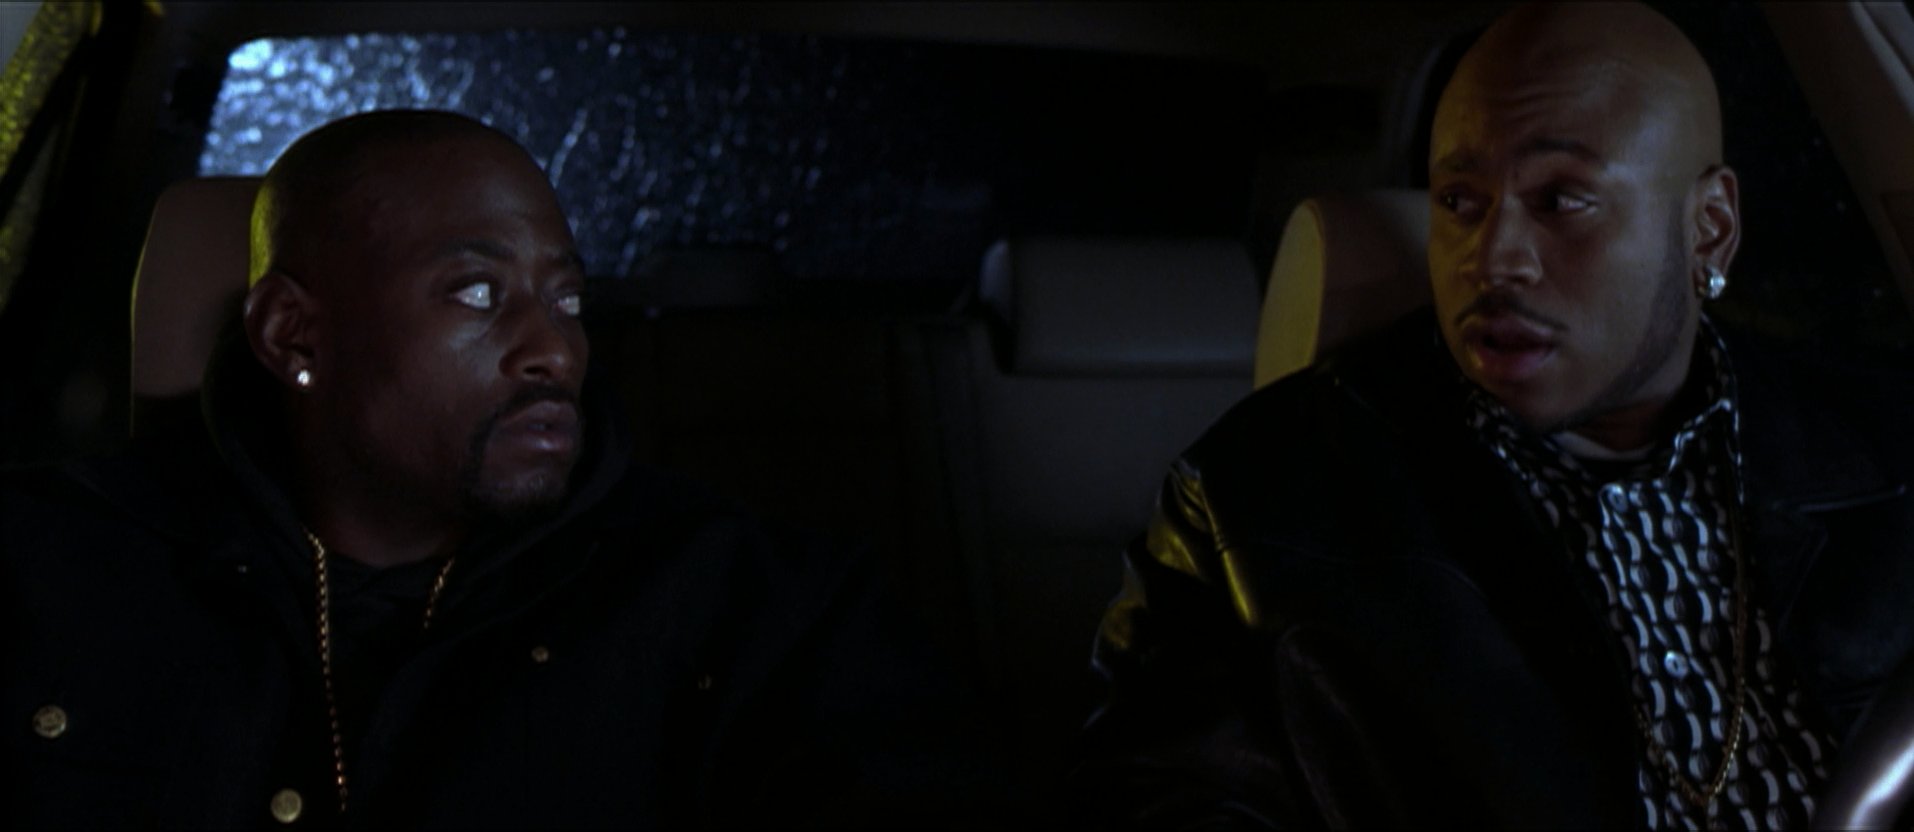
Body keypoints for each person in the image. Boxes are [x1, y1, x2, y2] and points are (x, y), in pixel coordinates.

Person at [2, 110, 1001, 828]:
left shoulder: (759, 609)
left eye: (567, 300)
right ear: (293, 332)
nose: (554, 351)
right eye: (478, 293)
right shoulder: (46, 567)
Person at [1075, 3, 1914, 829]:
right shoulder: (1255, 501)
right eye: (1459, 201)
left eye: (1561, 200)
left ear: (1710, 229)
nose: (1495, 259)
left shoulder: (1884, 446)